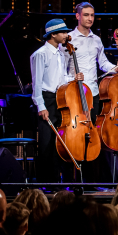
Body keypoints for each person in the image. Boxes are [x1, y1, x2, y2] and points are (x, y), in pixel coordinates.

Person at [65, 2, 118, 181]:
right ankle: (73, 179)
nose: (90, 18)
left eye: (92, 15)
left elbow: (102, 64)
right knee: (75, 136)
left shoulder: (97, 40)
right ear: (77, 16)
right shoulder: (68, 39)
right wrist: (71, 79)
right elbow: (61, 68)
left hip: (93, 94)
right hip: (74, 94)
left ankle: (91, 180)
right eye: (86, 15)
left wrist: (115, 67)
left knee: (92, 136)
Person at [30, 18, 84, 183]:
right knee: (46, 142)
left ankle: (57, 180)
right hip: (46, 99)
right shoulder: (40, 54)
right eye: (63, 32)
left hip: (60, 98)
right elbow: (37, 83)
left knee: (57, 142)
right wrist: (41, 106)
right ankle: (45, 181)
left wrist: (73, 78)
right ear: (53, 34)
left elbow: (60, 78)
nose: (66, 35)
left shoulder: (61, 53)